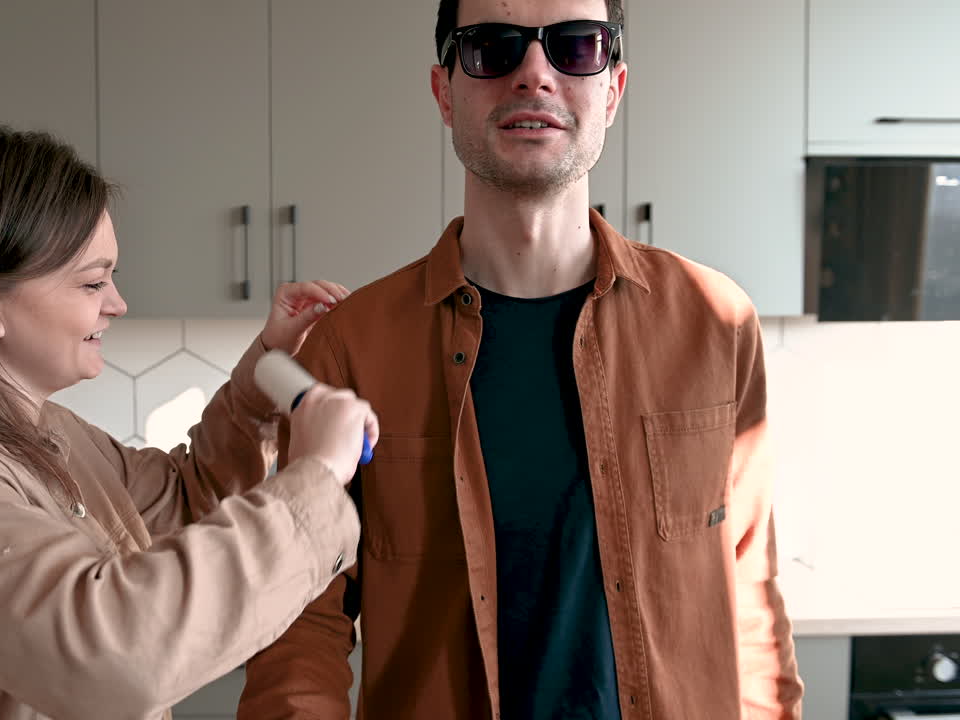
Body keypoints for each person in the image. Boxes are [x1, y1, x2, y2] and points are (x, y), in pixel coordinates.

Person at [237, 0, 804, 718]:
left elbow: (748, 595)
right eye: (493, 47)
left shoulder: (715, 323)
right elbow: (299, 622)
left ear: (614, 88)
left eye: (575, 46)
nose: (534, 73)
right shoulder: (353, 345)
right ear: (445, 92)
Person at [0, 126, 379, 720]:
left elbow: (185, 503)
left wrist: (263, 375)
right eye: (93, 282)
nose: (116, 304)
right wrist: (319, 477)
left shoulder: (48, 435)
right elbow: (120, 654)